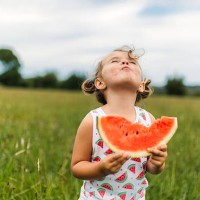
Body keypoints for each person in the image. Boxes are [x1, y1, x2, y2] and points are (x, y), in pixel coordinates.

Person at [71, 46, 168, 200]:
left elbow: (150, 167)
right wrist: (100, 168)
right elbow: (77, 166)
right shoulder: (93, 120)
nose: (125, 62)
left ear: (141, 85)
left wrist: (157, 164)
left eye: (133, 62)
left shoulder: (148, 119)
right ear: (100, 83)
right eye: (115, 61)